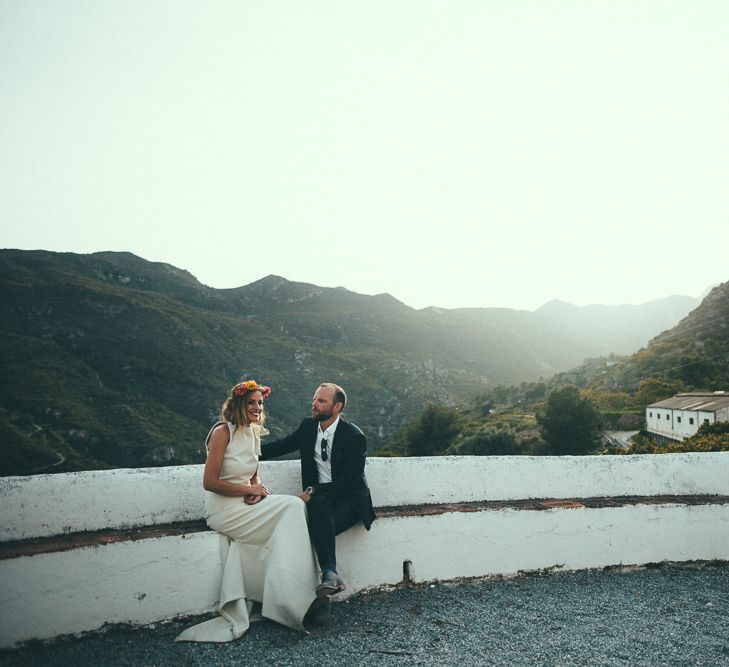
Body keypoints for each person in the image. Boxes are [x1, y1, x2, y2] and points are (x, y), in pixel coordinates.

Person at [175, 380, 320, 643]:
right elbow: (209, 482)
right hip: (223, 509)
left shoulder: (254, 432)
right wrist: (247, 490)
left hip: (244, 504)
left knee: (292, 511)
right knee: (293, 505)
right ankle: (297, 598)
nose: (257, 407)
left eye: (260, 402)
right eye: (251, 402)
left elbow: (254, 475)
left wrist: (255, 489)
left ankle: (291, 598)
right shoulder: (223, 432)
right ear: (239, 404)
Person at [259, 382, 376, 600]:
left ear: (337, 407)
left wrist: (312, 490)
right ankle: (330, 576)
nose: (314, 404)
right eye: (314, 399)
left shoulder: (353, 437)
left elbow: (349, 483)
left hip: (349, 502)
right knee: (318, 512)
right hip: (320, 501)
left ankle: (319, 598)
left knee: (315, 526)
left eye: (321, 401)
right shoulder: (308, 427)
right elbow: (280, 446)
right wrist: (242, 451)